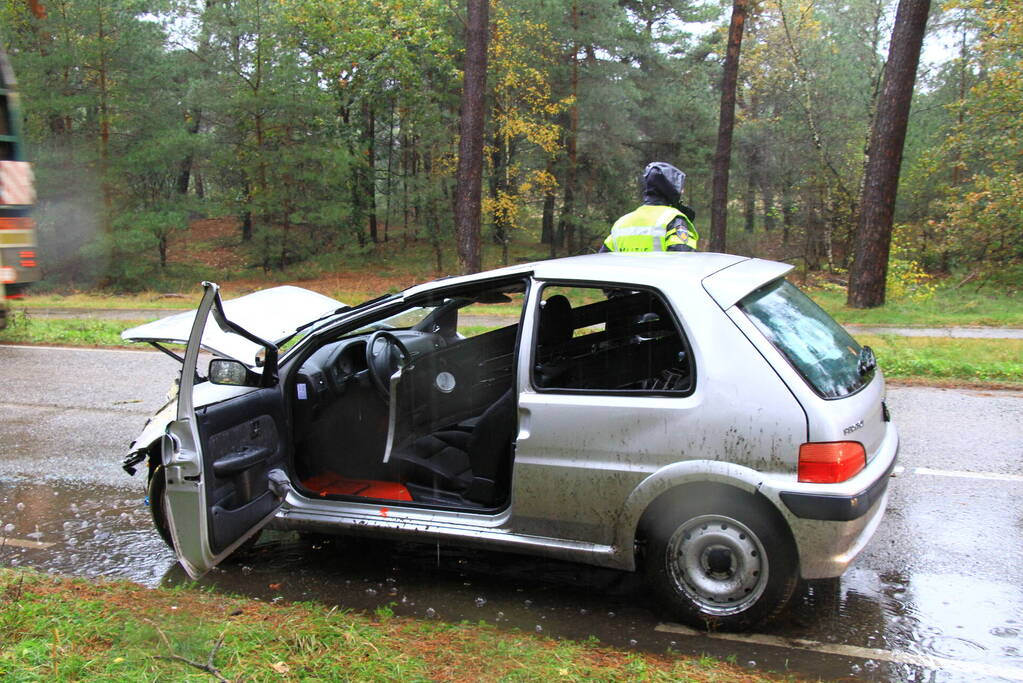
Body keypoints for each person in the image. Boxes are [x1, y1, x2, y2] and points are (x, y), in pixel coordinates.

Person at [601, 162, 699, 253]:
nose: (683, 192)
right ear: (674, 190)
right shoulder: (673, 220)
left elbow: (600, 260)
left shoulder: (621, 223)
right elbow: (684, 263)